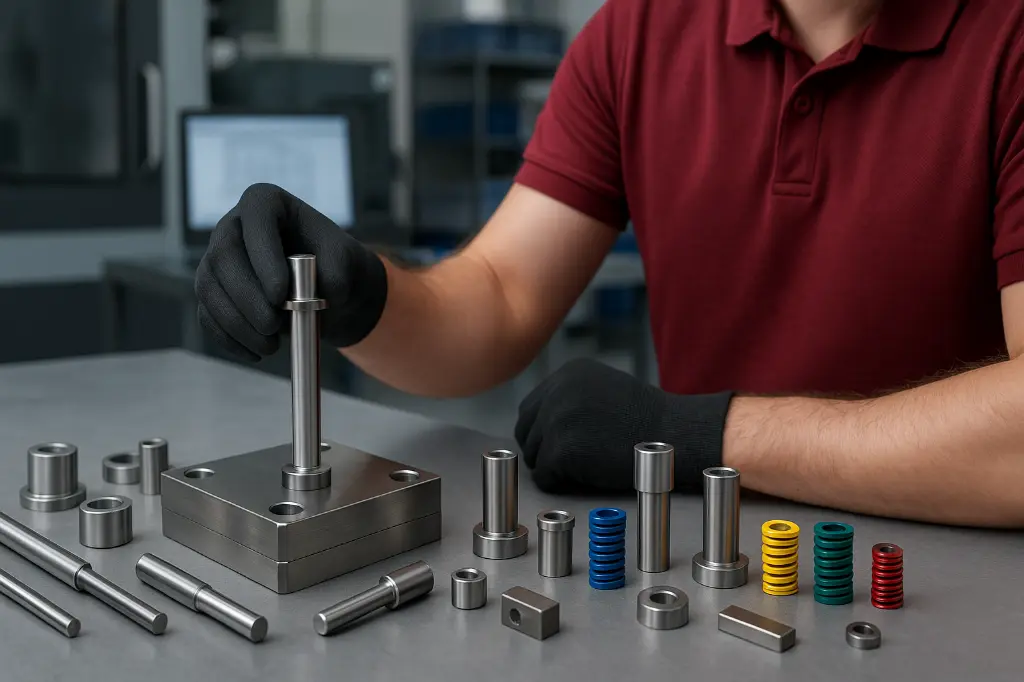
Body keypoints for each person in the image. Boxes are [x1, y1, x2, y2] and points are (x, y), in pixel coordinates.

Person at [195, 0, 1024, 528]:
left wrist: (692, 436)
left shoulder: (1008, 38)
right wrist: (363, 294)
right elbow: (498, 295)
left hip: (946, 573)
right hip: (705, 551)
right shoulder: (637, 34)